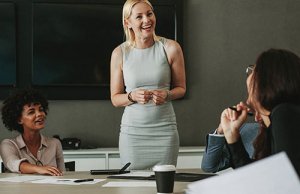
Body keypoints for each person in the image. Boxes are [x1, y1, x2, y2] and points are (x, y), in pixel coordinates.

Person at [110, 0, 186, 170]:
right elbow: (115, 99)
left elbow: (181, 88)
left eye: (149, 14)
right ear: (127, 22)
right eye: (139, 16)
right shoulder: (119, 53)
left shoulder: (171, 48)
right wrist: (131, 96)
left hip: (165, 132)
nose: (147, 20)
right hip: (133, 135)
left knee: (164, 187)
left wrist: (168, 95)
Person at [220, 48, 300, 176]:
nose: (249, 74)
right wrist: (231, 135)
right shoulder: (280, 118)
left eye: (255, 70)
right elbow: (257, 177)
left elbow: (283, 181)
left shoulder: (284, 113)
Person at [0, 88, 65, 175]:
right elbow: (13, 164)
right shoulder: (8, 144)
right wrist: (39, 169)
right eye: (31, 112)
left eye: (41, 109)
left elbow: (63, 175)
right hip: (20, 189)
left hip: (49, 189)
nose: (39, 114)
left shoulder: (55, 143)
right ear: (19, 120)